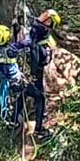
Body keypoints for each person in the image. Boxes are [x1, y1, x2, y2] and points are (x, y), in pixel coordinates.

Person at [0, 23, 47, 137]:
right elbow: (27, 42)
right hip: (17, 83)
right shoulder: (9, 51)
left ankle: (13, 121)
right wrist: (35, 29)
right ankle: (39, 130)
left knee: (22, 95)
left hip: (8, 83)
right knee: (40, 97)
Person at [13, 8, 61, 138]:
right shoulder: (37, 31)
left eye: (45, 16)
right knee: (37, 97)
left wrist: (14, 47)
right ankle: (38, 129)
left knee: (26, 94)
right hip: (32, 74)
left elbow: (28, 40)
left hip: (33, 73)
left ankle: (15, 121)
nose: (42, 15)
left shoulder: (36, 33)